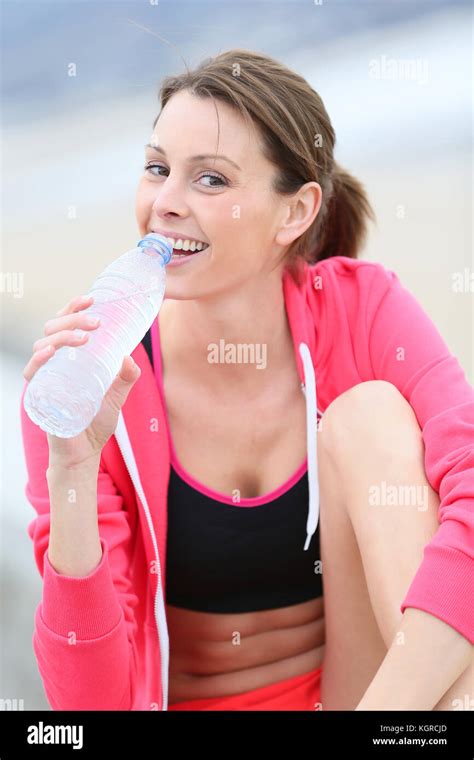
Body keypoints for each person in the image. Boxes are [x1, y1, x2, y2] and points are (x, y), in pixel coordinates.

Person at [20, 49, 473, 711]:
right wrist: (72, 469)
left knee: (371, 415)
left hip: (368, 701)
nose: (165, 204)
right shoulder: (90, 377)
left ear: (295, 212)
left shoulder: (362, 308)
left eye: (210, 181)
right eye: (156, 169)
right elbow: (92, 709)